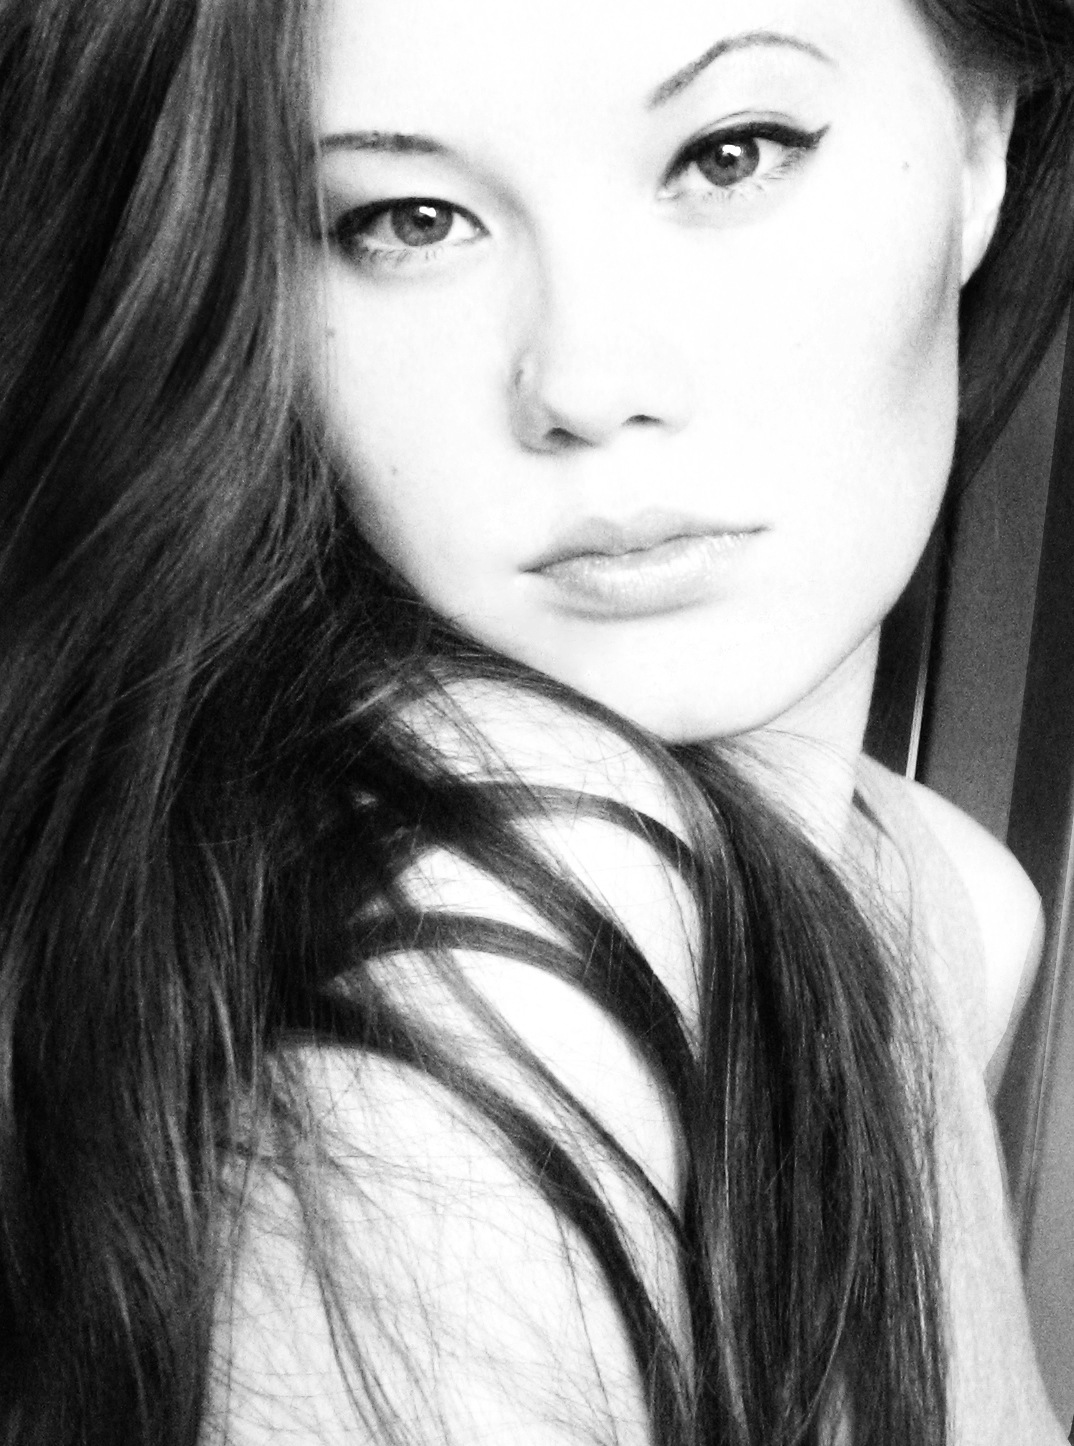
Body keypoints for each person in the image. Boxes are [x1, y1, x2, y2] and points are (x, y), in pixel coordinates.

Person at [2, 0, 1074, 1440]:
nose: (583, 381)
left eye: (731, 152)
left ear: (984, 139)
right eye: (407, 221)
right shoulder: (509, 922)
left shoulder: (948, 907)